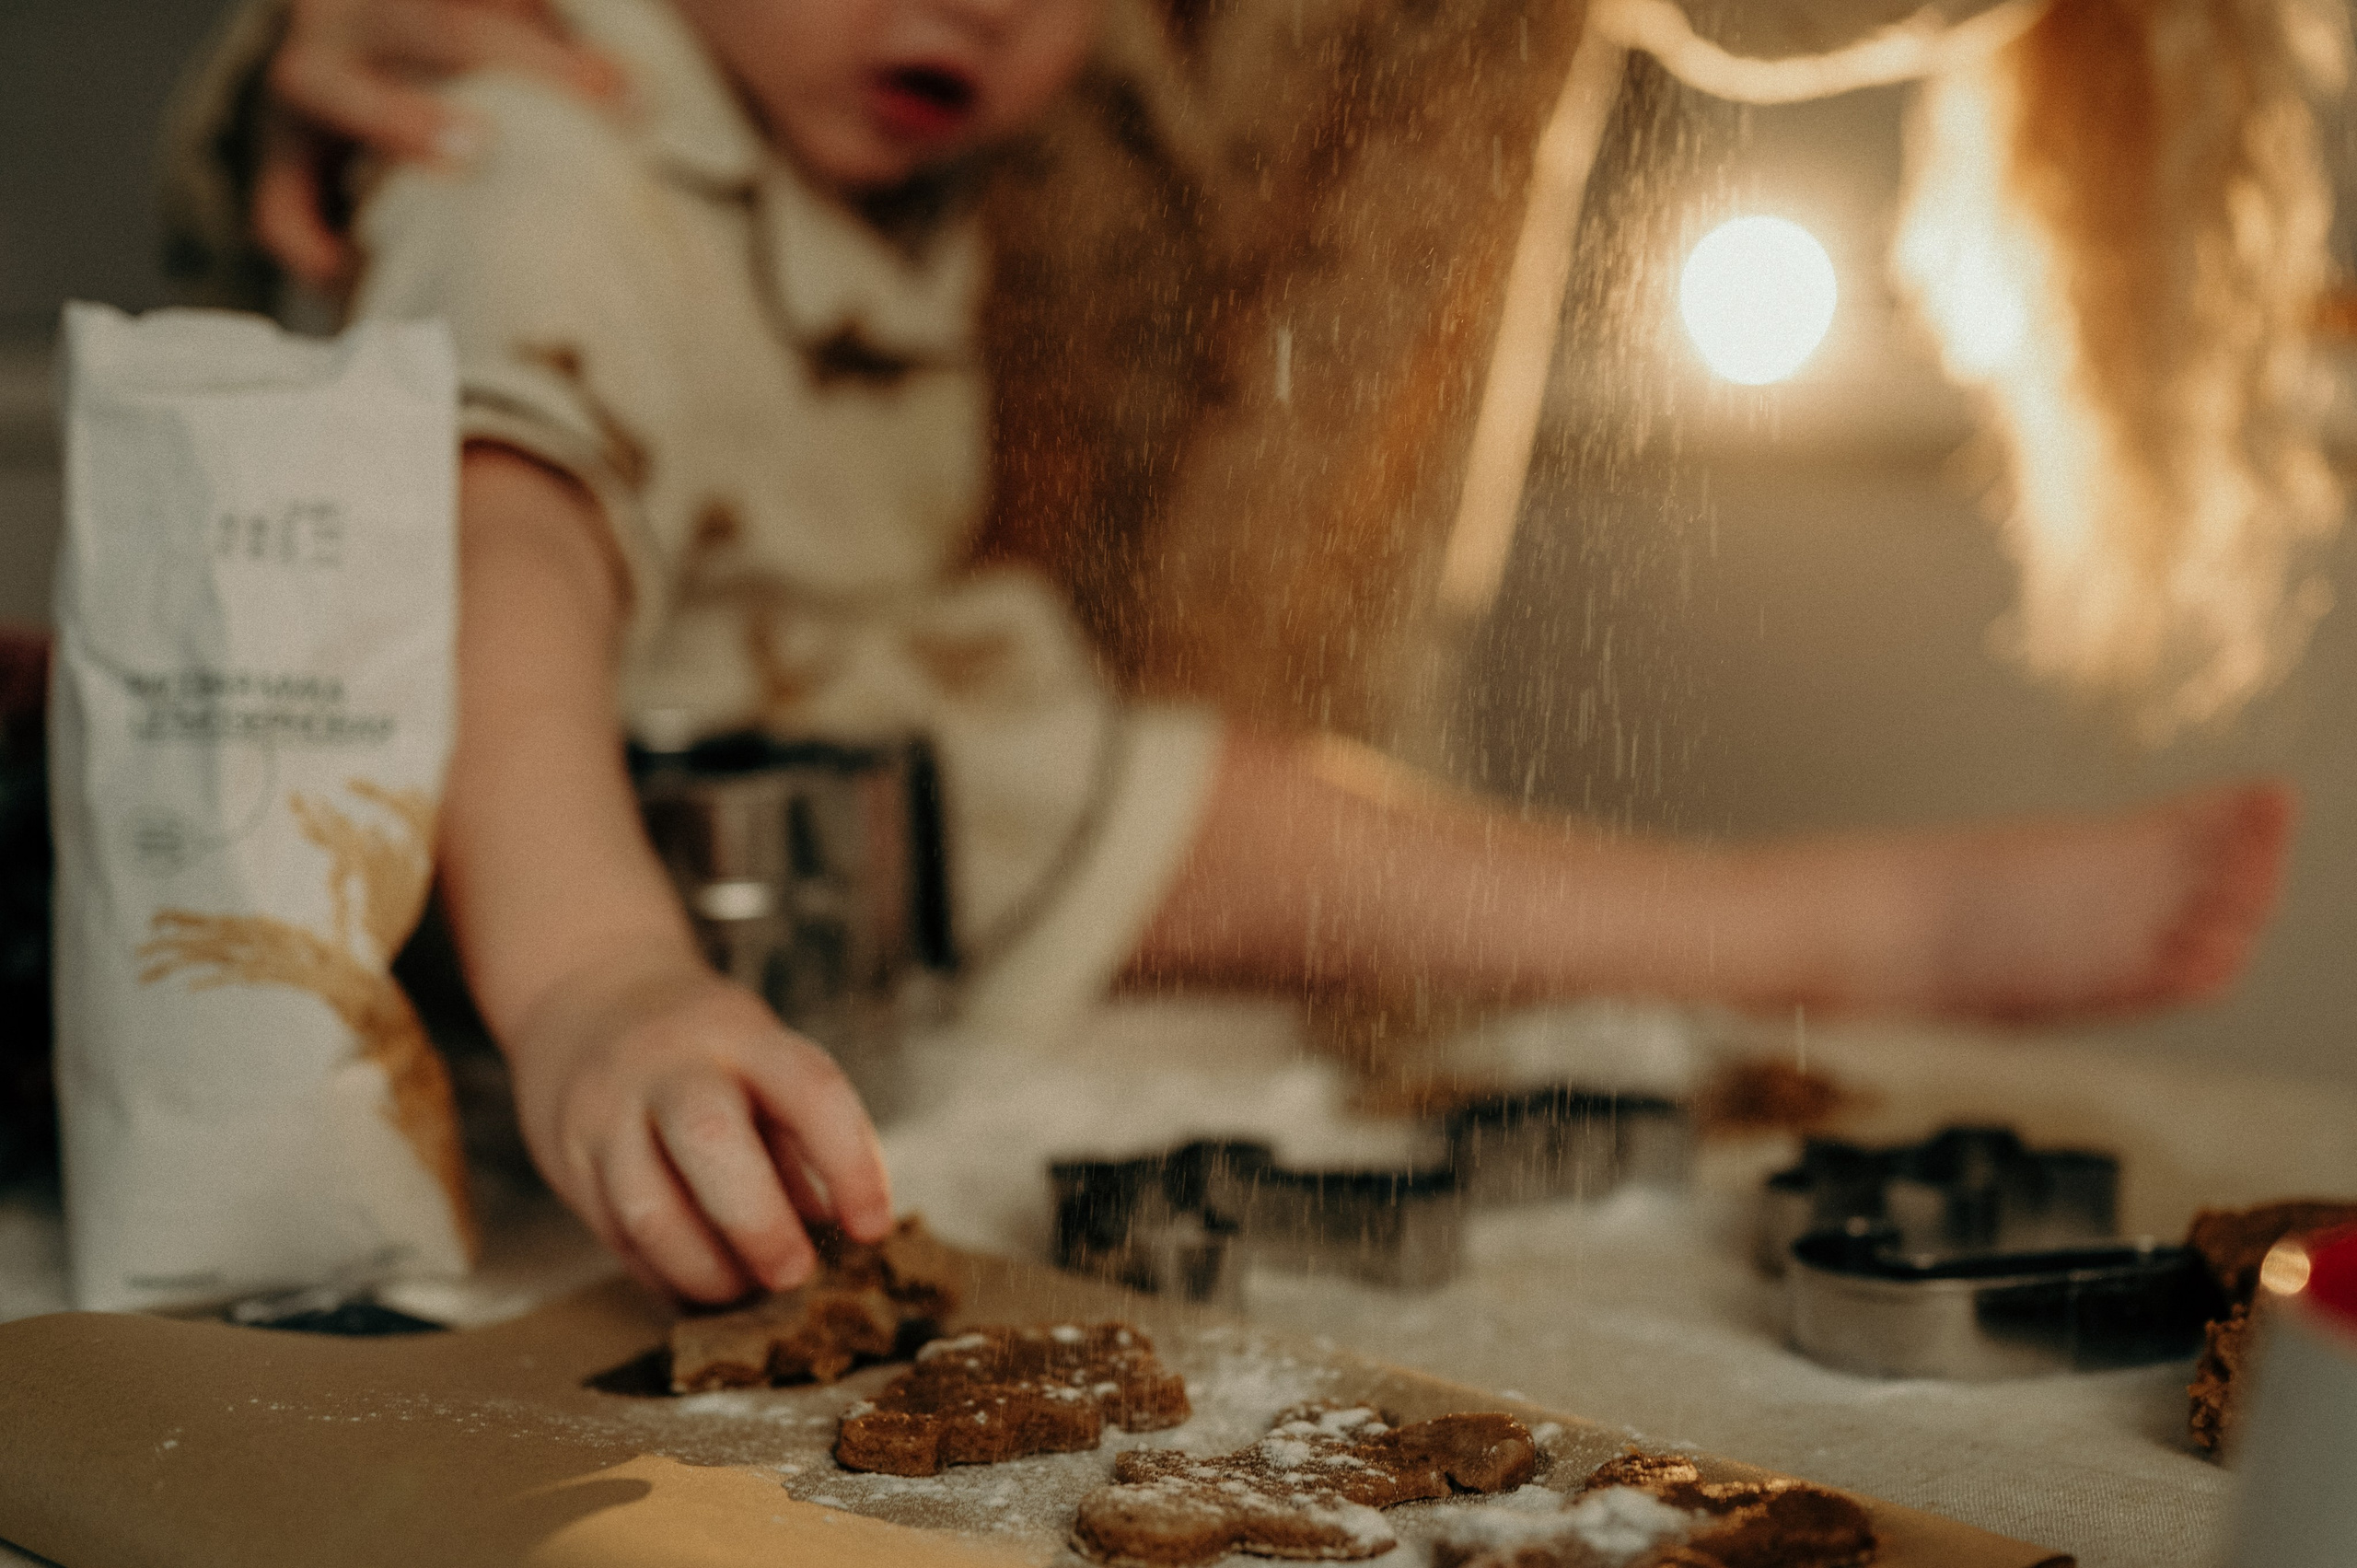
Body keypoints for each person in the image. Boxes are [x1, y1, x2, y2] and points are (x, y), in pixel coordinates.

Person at [154, 0, 2295, 1309]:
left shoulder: (848, 151)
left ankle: (1821, 924)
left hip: (831, 799)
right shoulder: (538, 140)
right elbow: (486, 565)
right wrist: (603, 981)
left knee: (1234, 808)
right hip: (595, 846)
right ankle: (1825, 922)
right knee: (1235, 822)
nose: (980, 4)